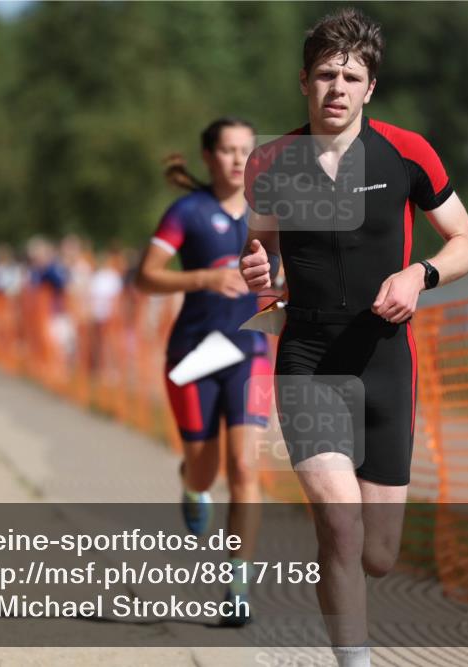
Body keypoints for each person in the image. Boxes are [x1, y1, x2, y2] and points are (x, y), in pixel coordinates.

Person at [239, 9, 468, 666]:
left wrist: (419, 273)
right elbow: (260, 256)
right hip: (309, 359)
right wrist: (257, 266)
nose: (337, 87)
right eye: (325, 74)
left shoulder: (409, 153)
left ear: (370, 87)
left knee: (378, 554)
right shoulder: (271, 161)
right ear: (304, 82)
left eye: (351, 75)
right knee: (339, 525)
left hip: (384, 362)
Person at [135, 117, 272, 626]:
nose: (239, 160)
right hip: (194, 354)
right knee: (205, 469)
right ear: (209, 157)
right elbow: (144, 276)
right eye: (229, 151)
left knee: (244, 468)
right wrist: (204, 279)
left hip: (250, 351)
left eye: (247, 151)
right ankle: (191, 484)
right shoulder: (187, 212)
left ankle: (237, 585)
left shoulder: (270, 213)